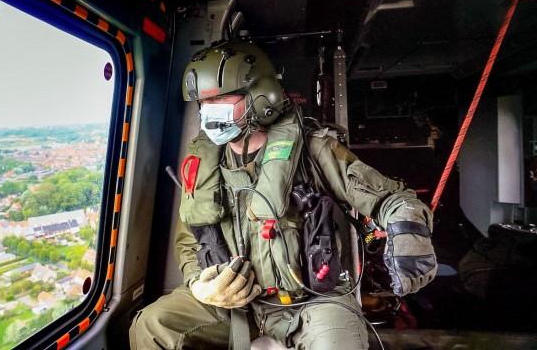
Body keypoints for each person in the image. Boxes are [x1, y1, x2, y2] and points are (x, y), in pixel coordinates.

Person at [129, 41, 437, 349]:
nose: (210, 111)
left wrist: (409, 235)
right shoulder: (203, 165)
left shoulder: (315, 151)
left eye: (221, 98)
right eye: (203, 102)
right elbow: (189, 239)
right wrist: (200, 285)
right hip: (236, 303)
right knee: (153, 325)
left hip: (311, 303)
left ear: (260, 95)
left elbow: (393, 199)